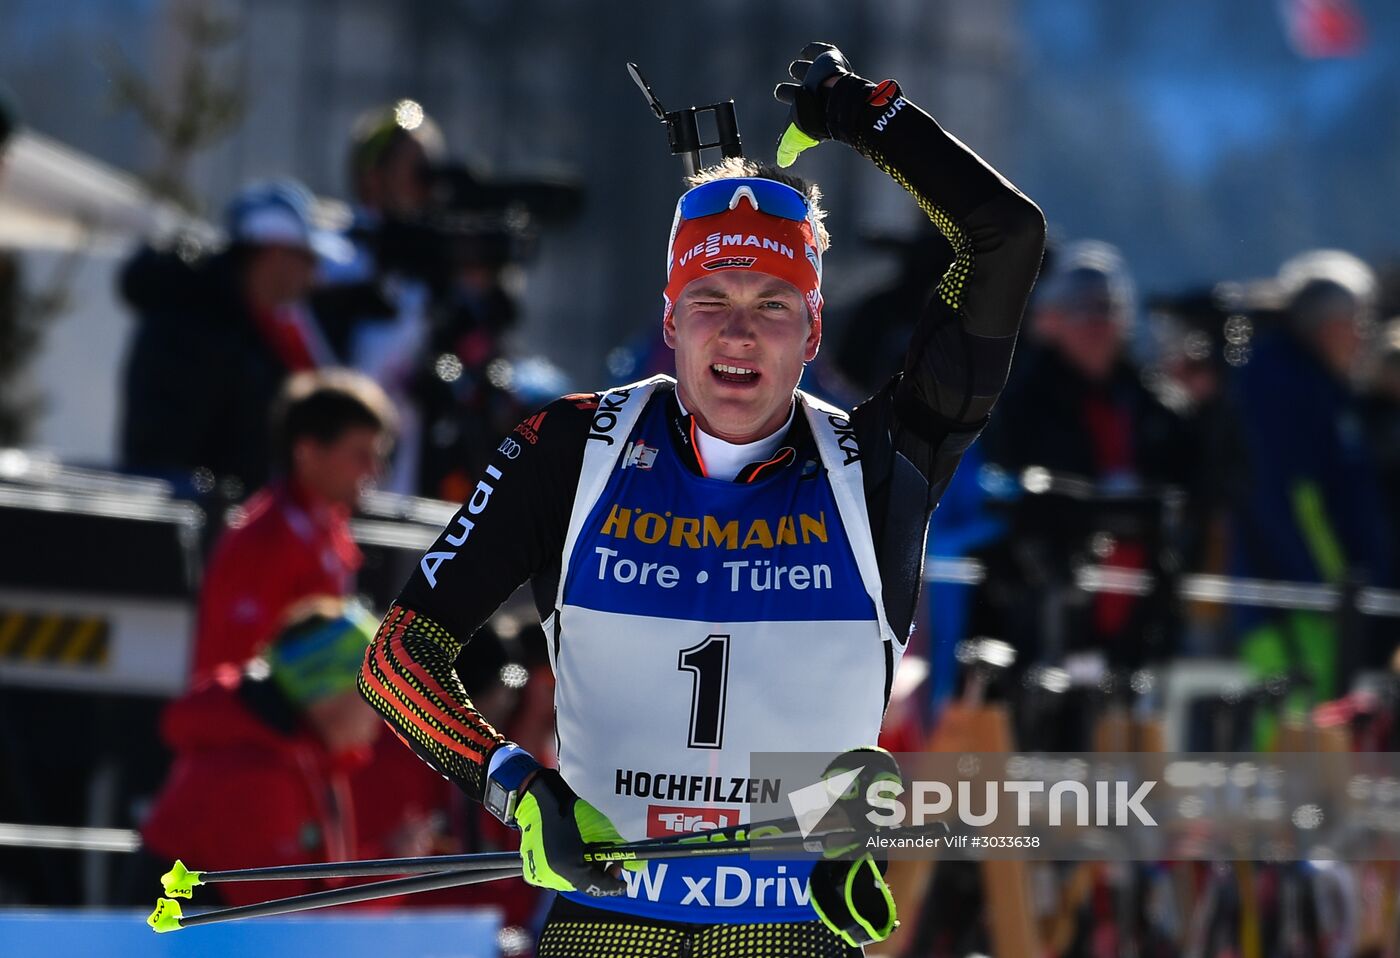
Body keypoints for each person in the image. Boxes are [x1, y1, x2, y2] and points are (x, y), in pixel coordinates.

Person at [359, 43, 1044, 956]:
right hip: (612, 932)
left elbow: (1005, 238)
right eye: (711, 298)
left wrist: (861, 115)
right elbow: (400, 658)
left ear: (813, 333)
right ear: (671, 318)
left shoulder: (882, 464)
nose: (739, 332)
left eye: (773, 304)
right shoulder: (571, 449)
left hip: (787, 936)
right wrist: (517, 785)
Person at [141, 600, 392, 906]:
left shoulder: (307, 756)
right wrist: (392, 870)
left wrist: (392, 861)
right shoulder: (253, 774)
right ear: (326, 694)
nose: (385, 708)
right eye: (375, 690)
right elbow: (284, 921)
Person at [1232, 250, 1394, 697]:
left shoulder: (1318, 386)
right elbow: (1298, 502)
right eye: (1357, 322)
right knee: (1298, 728)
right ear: (1328, 325)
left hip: (1317, 604)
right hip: (1299, 608)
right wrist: (1337, 588)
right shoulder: (1287, 387)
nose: (1363, 337)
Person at [120, 179, 334, 494]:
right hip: (187, 514)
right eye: (308, 258)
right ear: (275, 253)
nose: (315, 275)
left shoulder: (245, 323)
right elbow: (178, 449)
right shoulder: (196, 323)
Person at [190, 368, 394, 680]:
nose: (374, 470)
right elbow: (238, 669)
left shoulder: (328, 526)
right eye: (360, 455)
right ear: (307, 452)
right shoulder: (263, 539)